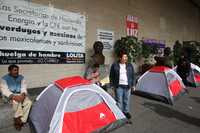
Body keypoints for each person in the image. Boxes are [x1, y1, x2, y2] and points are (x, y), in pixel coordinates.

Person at [0, 64, 32, 131]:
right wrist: (14, 96)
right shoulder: (4, 79)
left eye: (17, 70)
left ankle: (22, 120)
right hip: (9, 96)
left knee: (29, 102)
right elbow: (4, 90)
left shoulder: (21, 77)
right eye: (14, 70)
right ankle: (17, 120)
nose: (16, 72)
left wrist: (23, 94)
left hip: (20, 94)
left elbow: (23, 87)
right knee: (17, 102)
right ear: (9, 71)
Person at [109, 51, 135, 121]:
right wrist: (112, 84)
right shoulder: (115, 65)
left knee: (126, 100)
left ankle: (126, 112)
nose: (126, 58)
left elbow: (133, 75)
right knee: (119, 101)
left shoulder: (129, 65)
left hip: (128, 86)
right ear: (120, 58)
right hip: (119, 86)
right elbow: (111, 76)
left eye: (126, 57)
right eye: (124, 57)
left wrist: (133, 85)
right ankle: (119, 113)